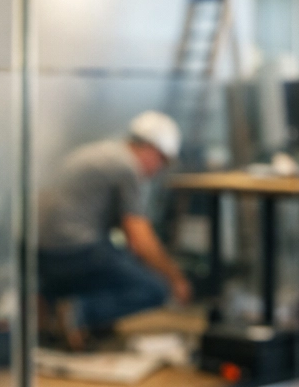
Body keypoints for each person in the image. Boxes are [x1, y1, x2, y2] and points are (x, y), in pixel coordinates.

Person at [37, 111, 193, 348]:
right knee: (153, 289)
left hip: (43, 255)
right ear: (151, 149)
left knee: (118, 260)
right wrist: (174, 278)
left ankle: (53, 307)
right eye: (162, 161)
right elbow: (140, 239)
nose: (158, 170)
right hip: (77, 250)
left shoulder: (100, 153)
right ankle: (78, 313)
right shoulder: (126, 167)